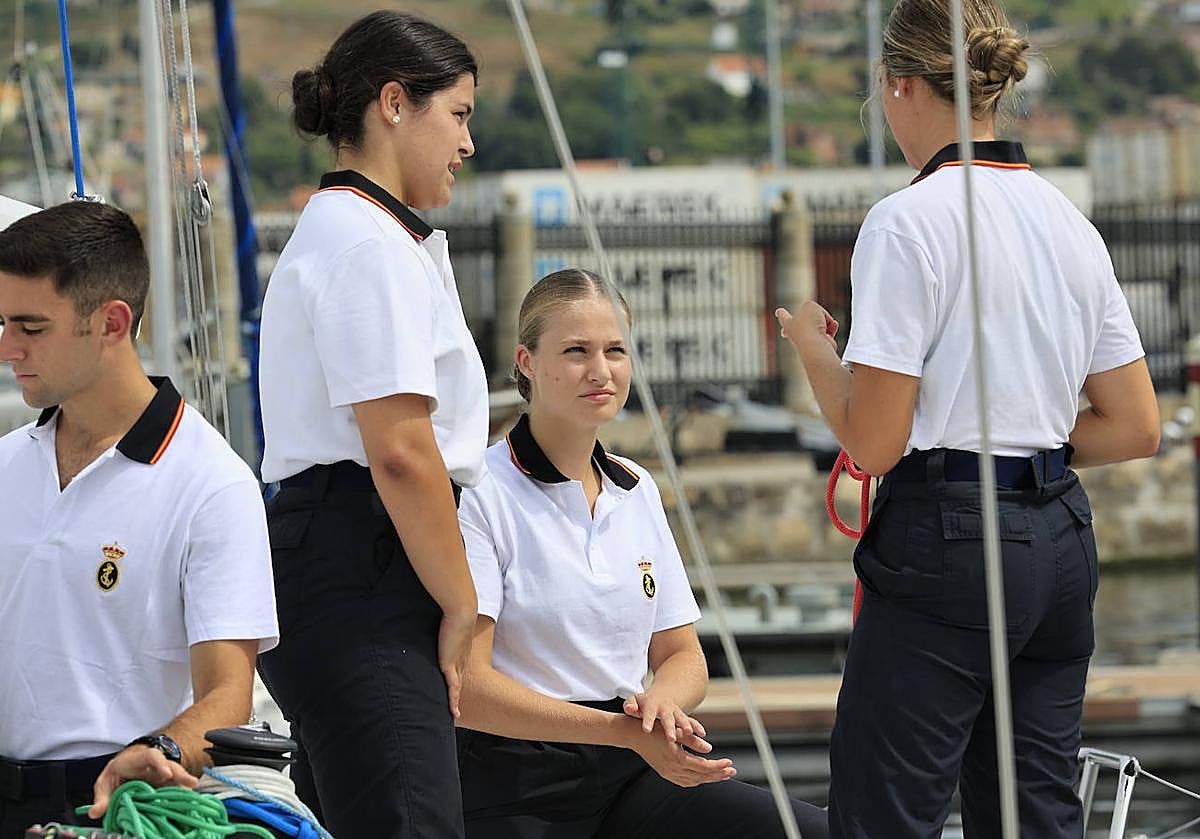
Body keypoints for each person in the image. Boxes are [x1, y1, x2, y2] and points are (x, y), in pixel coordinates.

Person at [775, 1, 1160, 836]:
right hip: (1061, 542)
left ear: (898, 83)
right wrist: (1025, 444)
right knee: (1034, 813)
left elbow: (874, 442)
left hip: (947, 541)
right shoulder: (1069, 222)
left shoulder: (906, 222)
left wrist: (813, 349)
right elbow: (1136, 425)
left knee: (885, 816)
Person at [455, 268, 830, 839]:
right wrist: (621, 732)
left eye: (615, 350)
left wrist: (659, 706)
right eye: (576, 351)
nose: (600, 370)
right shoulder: (481, 492)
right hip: (516, 784)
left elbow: (683, 655)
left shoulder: (636, 488)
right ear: (526, 362)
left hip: (634, 769)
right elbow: (469, 687)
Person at [255, 10, 487, 837]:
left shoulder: (355, 235)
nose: (467, 143)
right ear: (394, 103)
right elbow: (400, 451)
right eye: (457, 114)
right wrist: (462, 602)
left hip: (344, 559)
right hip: (366, 565)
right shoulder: (368, 245)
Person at [0, 201, 278, 835]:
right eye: (3, 322)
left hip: (110, 807)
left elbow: (228, 696)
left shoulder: (212, 485)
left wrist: (163, 749)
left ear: (111, 323)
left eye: (30, 327)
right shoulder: (5, 463)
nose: (7, 348)